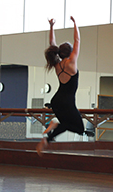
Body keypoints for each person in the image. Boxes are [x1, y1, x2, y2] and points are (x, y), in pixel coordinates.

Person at [36, 16, 84, 156]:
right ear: (70, 53)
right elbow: (78, 40)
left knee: (66, 124)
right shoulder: (71, 63)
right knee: (79, 128)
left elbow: (52, 43)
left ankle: (49, 137)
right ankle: (54, 125)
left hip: (56, 101)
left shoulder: (57, 64)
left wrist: (51, 27)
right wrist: (75, 24)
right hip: (68, 102)